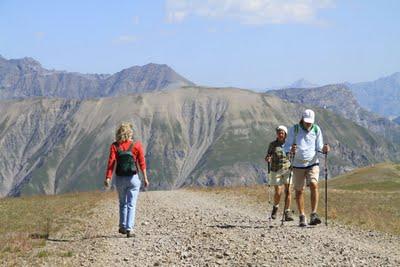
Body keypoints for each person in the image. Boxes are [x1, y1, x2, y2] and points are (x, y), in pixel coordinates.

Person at [284, 109, 330, 227]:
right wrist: (291, 150)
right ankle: (302, 216)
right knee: (299, 190)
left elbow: (319, 146)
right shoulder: (294, 129)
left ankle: (314, 214)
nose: (308, 124)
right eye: (306, 121)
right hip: (297, 164)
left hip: (313, 162)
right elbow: (287, 146)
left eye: (310, 122)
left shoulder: (316, 129)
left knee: (314, 184)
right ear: (302, 119)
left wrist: (324, 149)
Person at [104, 122, 149, 237]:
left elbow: (111, 163)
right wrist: (145, 178)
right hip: (133, 178)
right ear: (130, 133)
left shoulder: (114, 146)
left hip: (119, 178)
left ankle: (122, 226)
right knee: (131, 204)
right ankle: (129, 229)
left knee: (122, 203)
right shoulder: (137, 145)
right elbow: (142, 163)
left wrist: (108, 177)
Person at [265, 125, 294, 221]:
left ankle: (287, 212)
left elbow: (294, 155)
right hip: (275, 170)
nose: (280, 134)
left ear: (285, 134)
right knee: (278, 192)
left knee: (288, 191)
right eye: (279, 133)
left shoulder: (289, 144)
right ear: (277, 134)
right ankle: (275, 208)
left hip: (287, 169)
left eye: (282, 133)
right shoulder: (272, 145)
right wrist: (268, 158)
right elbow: (268, 155)